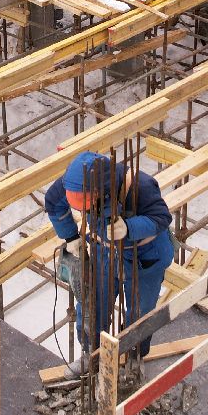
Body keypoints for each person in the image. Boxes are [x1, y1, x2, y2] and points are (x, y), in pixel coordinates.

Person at [45, 151, 175, 363]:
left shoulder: (139, 185)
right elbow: (53, 202)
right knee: (92, 306)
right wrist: (71, 237)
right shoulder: (74, 182)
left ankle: (133, 358)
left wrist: (130, 227)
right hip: (104, 252)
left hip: (144, 256)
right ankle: (91, 356)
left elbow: (162, 217)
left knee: (140, 313)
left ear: (100, 189)